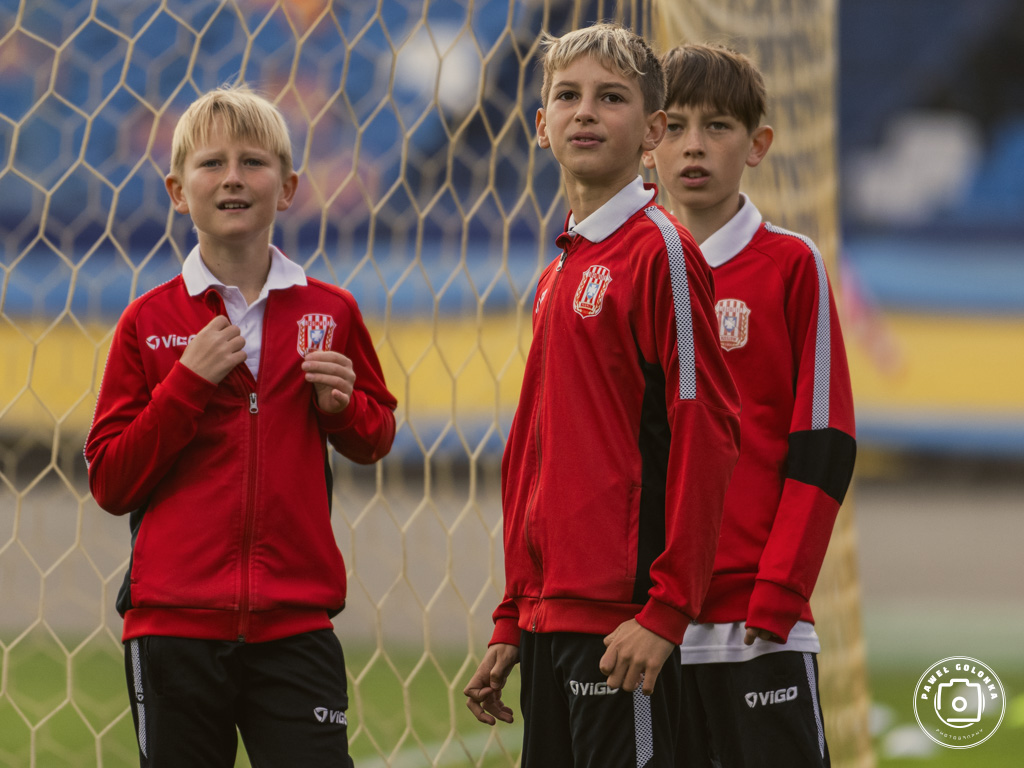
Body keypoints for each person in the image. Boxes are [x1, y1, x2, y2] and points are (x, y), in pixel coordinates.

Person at [85, 84, 397, 767]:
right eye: (211, 163)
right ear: (178, 191)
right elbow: (110, 480)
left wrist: (344, 409)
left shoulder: (331, 311)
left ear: (287, 189)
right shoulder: (147, 321)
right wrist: (187, 385)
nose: (232, 177)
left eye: (253, 162)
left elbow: (375, 437)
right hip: (173, 626)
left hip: (295, 624)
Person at [463, 23, 741, 767]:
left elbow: (708, 430)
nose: (585, 111)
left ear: (653, 132)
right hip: (549, 618)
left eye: (611, 97)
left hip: (624, 622)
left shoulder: (662, 252)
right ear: (541, 126)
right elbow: (535, 453)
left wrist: (667, 610)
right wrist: (514, 613)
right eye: (568, 96)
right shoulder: (560, 270)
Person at [642, 43, 857, 767]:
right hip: (646, 624)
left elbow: (824, 441)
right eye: (674, 126)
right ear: (648, 139)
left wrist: (779, 591)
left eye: (718, 126)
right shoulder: (630, 271)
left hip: (757, 622)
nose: (693, 146)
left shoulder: (791, 265)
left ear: (757, 144)